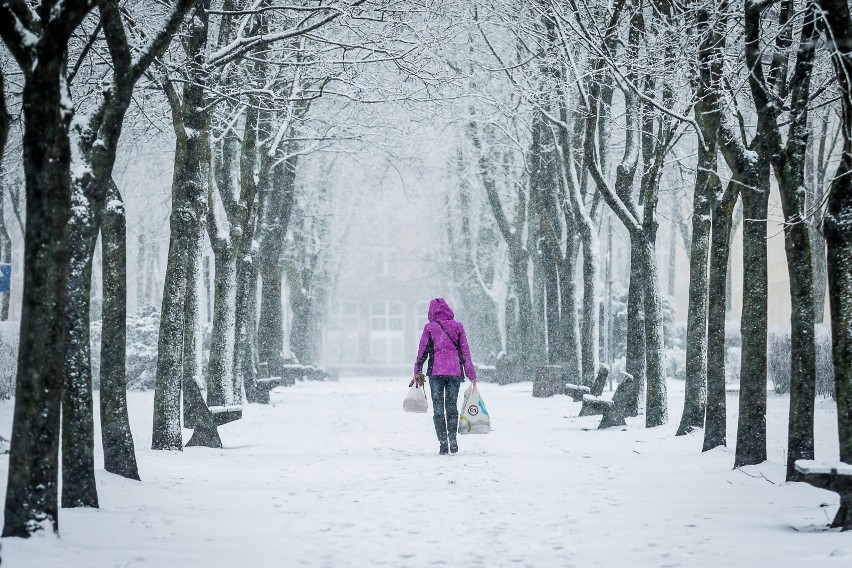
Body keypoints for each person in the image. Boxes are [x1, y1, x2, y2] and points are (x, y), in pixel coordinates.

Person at [411, 298, 477, 455]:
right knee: (451, 406)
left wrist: (417, 371)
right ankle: (453, 439)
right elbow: (465, 353)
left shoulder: (430, 328)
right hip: (454, 372)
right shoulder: (458, 326)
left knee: (438, 408)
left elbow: (422, 353)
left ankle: (443, 443)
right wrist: (471, 373)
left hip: (436, 373)